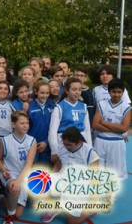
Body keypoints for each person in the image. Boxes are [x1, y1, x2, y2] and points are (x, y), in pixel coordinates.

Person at [41, 127, 99, 224]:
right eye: (64, 144)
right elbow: (58, 164)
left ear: (78, 142)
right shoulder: (62, 147)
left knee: (72, 222)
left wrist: (94, 199)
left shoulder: (90, 153)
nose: (66, 147)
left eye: (69, 145)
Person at [92, 78, 131, 206]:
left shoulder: (126, 107)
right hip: (101, 141)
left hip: (117, 143)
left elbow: (124, 128)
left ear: (123, 92)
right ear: (109, 92)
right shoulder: (102, 104)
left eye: (119, 92)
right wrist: (115, 128)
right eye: (114, 92)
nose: (117, 94)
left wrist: (105, 122)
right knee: (99, 169)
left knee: (114, 170)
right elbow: (95, 125)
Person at [0, 111, 37, 224]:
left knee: (18, 214)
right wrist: (3, 170)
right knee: (14, 187)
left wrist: (19, 180)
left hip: (24, 174)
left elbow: (28, 164)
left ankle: (0, 196)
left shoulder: (32, 141)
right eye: (22, 123)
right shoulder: (5, 140)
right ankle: (9, 218)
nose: (25, 126)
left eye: (27, 123)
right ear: (13, 124)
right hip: (10, 174)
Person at [48, 77, 92, 168]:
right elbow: (52, 131)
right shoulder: (59, 107)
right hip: (64, 145)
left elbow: (87, 130)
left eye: (79, 90)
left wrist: (89, 148)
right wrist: (54, 151)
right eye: (74, 89)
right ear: (67, 91)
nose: (77, 92)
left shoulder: (83, 106)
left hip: (80, 144)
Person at [28, 80, 55, 165]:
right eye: (42, 93)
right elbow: (27, 127)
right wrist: (32, 143)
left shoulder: (53, 106)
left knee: (44, 171)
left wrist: (46, 142)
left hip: (47, 145)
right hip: (32, 145)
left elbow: (54, 127)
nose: (45, 95)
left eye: (47, 93)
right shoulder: (30, 106)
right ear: (36, 92)